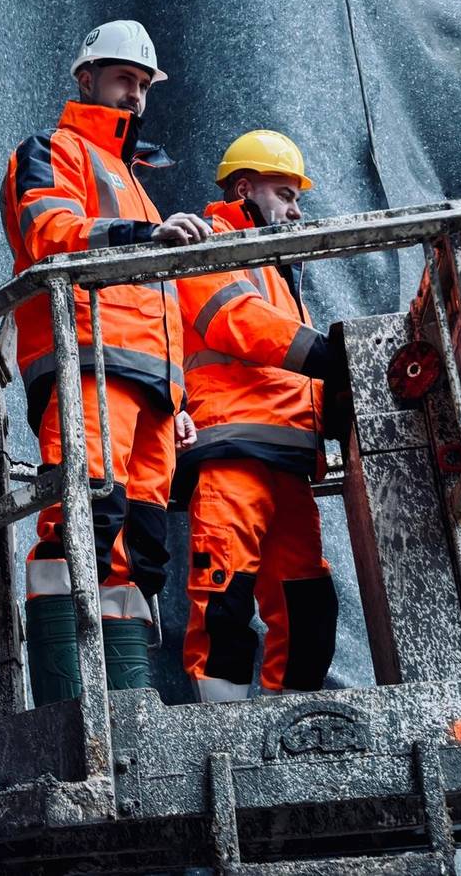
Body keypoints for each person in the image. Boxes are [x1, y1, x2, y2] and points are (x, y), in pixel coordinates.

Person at [0, 20, 206, 706]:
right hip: (87, 362)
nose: (136, 96)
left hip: (147, 390)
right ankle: (72, 720)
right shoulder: (51, 151)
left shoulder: (137, 182)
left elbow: (162, 307)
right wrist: (143, 233)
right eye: (125, 79)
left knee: (140, 548)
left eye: (144, 85)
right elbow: (46, 232)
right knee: (82, 523)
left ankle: (126, 722)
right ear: (85, 78)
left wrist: (176, 402)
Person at [173, 130, 342, 702]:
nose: (295, 211)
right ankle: (220, 749)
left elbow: (291, 363)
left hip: (286, 461)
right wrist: (329, 356)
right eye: (284, 194)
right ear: (245, 189)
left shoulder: (274, 273)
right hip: (233, 452)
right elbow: (239, 322)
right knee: (224, 604)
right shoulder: (207, 246)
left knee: (308, 608)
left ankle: (291, 742)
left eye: (297, 198)